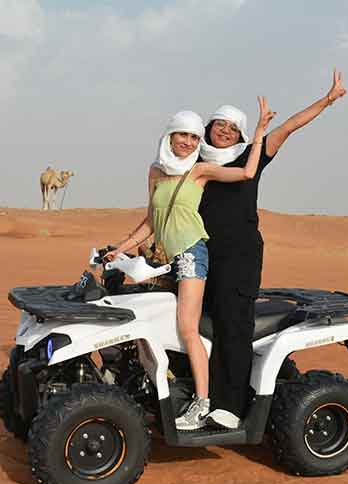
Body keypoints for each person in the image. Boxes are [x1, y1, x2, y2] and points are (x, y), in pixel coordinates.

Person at [107, 98, 276, 430]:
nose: (186, 142)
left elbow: (247, 172)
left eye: (193, 137)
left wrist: (258, 133)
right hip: (168, 259)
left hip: (191, 255)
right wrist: (120, 248)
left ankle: (202, 403)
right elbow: (152, 220)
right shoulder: (157, 170)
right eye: (181, 135)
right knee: (147, 318)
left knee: (187, 327)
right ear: (169, 136)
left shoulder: (199, 170)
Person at [199, 69, 348, 430]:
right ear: (208, 128)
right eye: (220, 125)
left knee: (233, 325)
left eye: (232, 128)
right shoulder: (193, 161)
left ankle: (229, 408)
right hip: (200, 256)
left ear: (242, 134)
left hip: (239, 256)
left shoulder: (252, 155)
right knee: (196, 324)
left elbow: (291, 125)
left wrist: (327, 100)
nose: (224, 132)